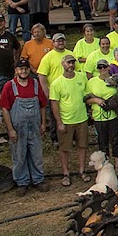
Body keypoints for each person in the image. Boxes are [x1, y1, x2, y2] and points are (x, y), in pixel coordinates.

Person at [0, 59, 48, 193]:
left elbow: (42, 105)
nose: (24, 71)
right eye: (20, 69)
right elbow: (4, 109)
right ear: (16, 71)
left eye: (26, 68)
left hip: (34, 127)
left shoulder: (36, 84)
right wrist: (10, 129)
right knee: (19, 155)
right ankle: (22, 182)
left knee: (36, 153)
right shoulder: (9, 86)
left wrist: (43, 123)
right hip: (18, 128)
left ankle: (38, 179)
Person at [49, 54, 90, 186]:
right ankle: (65, 173)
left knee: (82, 146)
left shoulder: (82, 77)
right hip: (66, 121)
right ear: (63, 64)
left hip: (82, 118)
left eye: (72, 63)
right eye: (68, 63)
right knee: (65, 148)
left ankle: (82, 171)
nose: (71, 65)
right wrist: (59, 122)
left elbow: (87, 96)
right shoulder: (56, 83)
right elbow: (54, 103)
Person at [86, 59, 118, 173]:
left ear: (108, 67)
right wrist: (97, 100)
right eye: (100, 67)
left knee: (116, 140)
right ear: (97, 69)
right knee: (102, 141)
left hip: (114, 115)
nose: (102, 69)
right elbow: (87, 100)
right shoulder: (91, 82)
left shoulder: (116, 79)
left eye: (104, 67)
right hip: (99, 116)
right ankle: (106, 165)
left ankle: (117, 164)